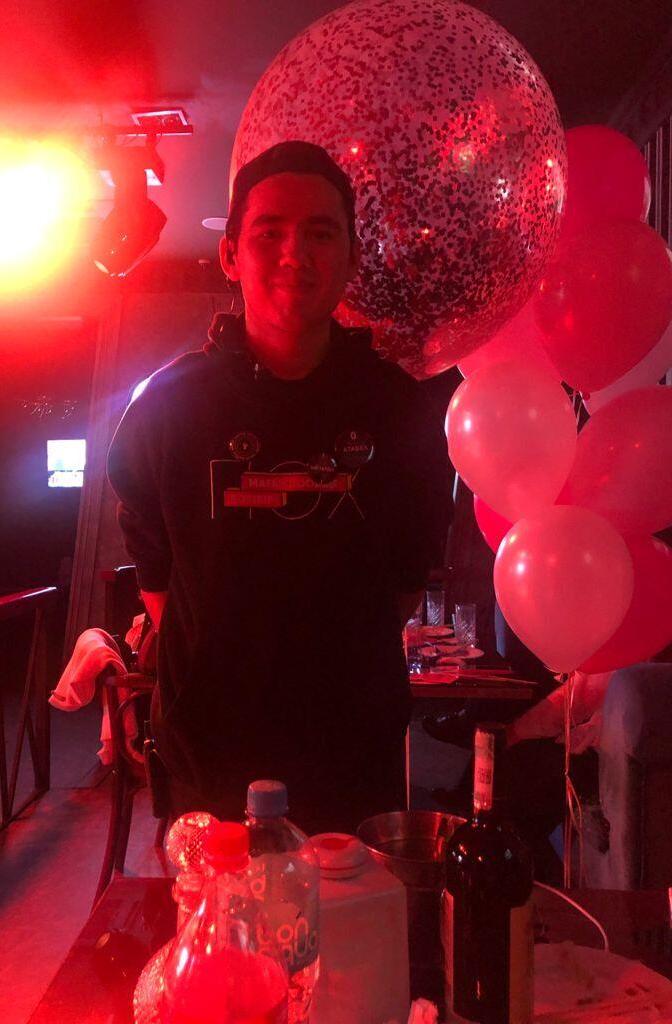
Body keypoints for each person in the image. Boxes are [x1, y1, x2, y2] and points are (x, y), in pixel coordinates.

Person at [107, 140, 452, 833]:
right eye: (270, 233)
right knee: (213, 911)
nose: (296, 254)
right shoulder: (167, 407)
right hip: (209, 757)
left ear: (352, 258)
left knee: (353, 909)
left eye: (321, 233)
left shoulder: (400, 410)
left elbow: (404, 583)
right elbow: (159, 579)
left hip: (352, 759)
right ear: (230, 254)